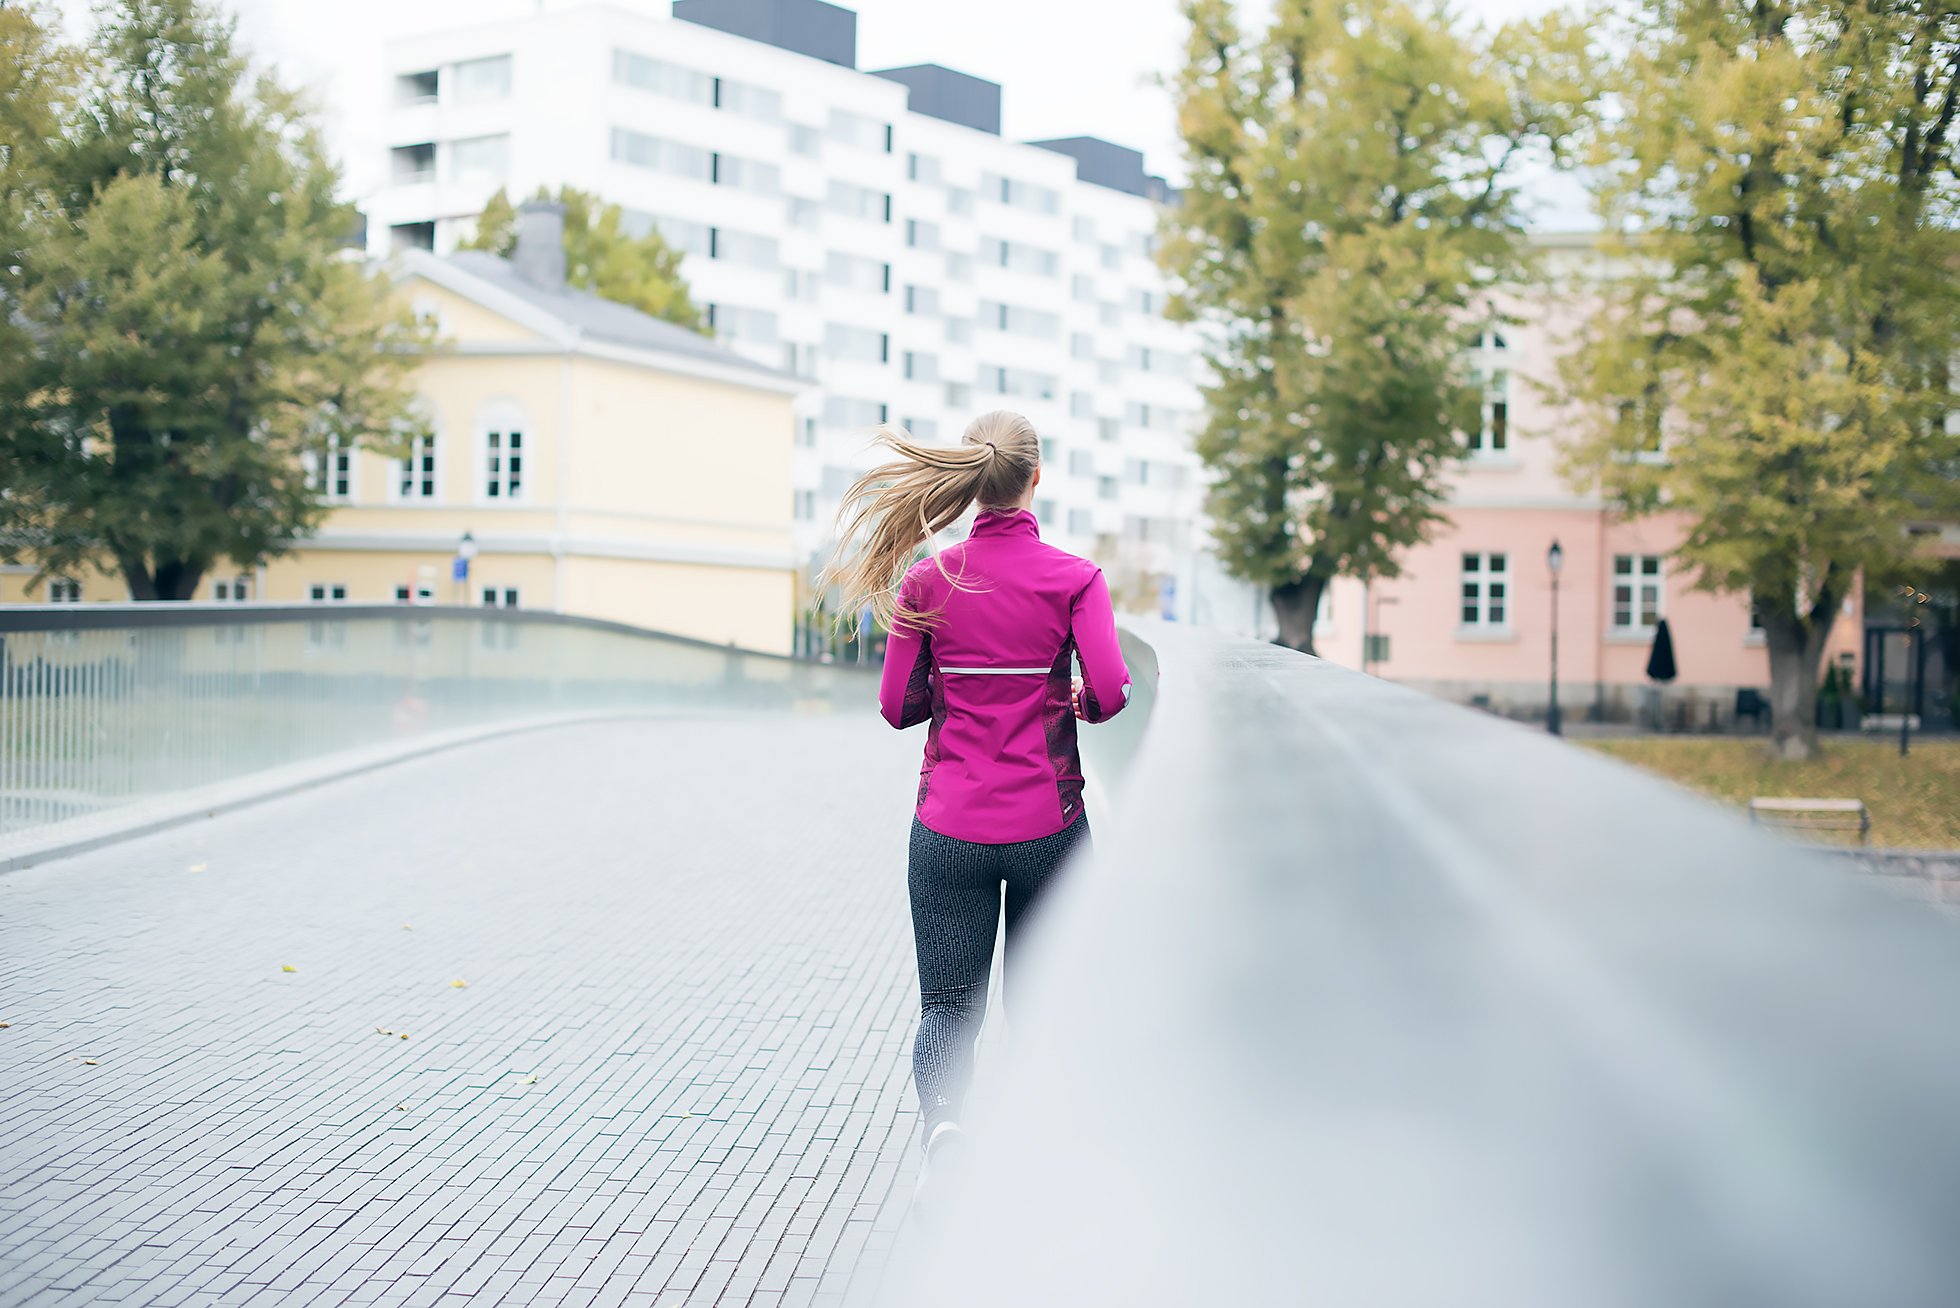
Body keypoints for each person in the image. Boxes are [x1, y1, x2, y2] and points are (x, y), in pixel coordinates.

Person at [824, 410, 1132, 1200]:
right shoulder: (1075, 580)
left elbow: (897, 708)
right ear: (1035, 479)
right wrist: (1072, 703)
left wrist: (951, 687)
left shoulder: (930, 580)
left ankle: (946, 1138)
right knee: (1045, 1005)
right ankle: (1036, 1168)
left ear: (970, 480)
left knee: (949, 1008)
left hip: (948, 830)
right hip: (1050, 831)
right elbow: (1110, 689)